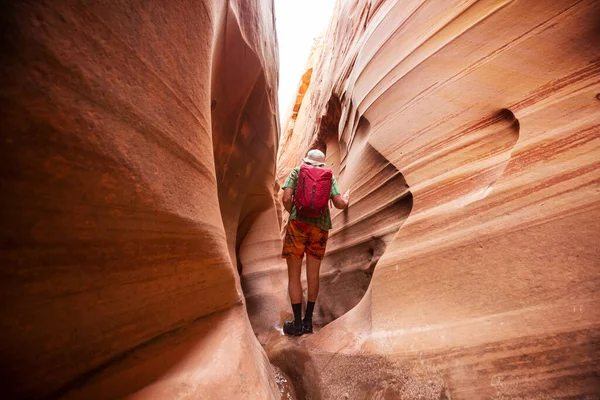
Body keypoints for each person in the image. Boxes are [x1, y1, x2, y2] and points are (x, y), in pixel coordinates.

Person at [280, 149, 350, 336]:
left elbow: (286, 198)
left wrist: (294, 213)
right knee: (313, 275)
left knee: (294, 276)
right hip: (319, 229)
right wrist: (347, 199)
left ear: (306, 161)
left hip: (297, 226)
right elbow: (339, 203)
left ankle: (296, 324)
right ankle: (308, 322)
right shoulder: (329, 176)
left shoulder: (297, 171)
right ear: (322, 164)